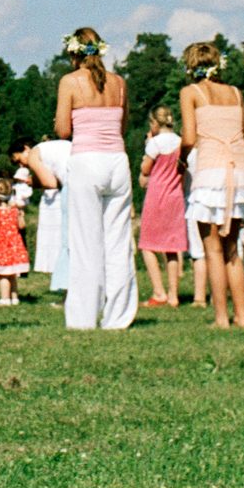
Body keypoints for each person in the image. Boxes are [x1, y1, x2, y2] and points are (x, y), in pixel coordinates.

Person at [56, 27, 135, 331]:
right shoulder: (119, 83)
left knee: (86, 242)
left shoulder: (70, 82)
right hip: (117, 160)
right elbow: (123, 125)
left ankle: (83, 318)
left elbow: (63, 130)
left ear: (73, 52)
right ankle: (118, 317)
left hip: (87, 160)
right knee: (118, 241)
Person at [178, 40, 244, 330]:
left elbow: (188, 137)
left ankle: (221, 317)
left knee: (212, 250)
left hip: (210, 172)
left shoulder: (191, 93)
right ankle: (242, 317)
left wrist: (181, 160)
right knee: (233, 249)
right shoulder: (235, 93)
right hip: (238, 172)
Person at [138, 106, 188, 307]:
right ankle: (173, 294)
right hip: (176, 196)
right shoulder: (180, 142)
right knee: (172, 247)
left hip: (157, 195)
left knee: (147, 245)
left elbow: (145, 168)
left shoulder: (155, 143)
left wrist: (148, 145)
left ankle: (159, 292)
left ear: (155, 123)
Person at [15, 134, 74, 301]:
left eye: (18, 159)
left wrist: (33, 182)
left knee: (68, 242)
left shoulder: (35, 153)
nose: (21, 164)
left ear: (25, 149)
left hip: (72, 188)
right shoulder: (57, 146)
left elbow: (51, 183)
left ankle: (67, 292)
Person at [0, 177, 28, 301]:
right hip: (15, 246)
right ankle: (14, 297)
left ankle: (4, 299)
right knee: (12, 274)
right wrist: (21, 215)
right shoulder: (15, 211)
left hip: (2, 246)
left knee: (4, 275)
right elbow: (22, 226)